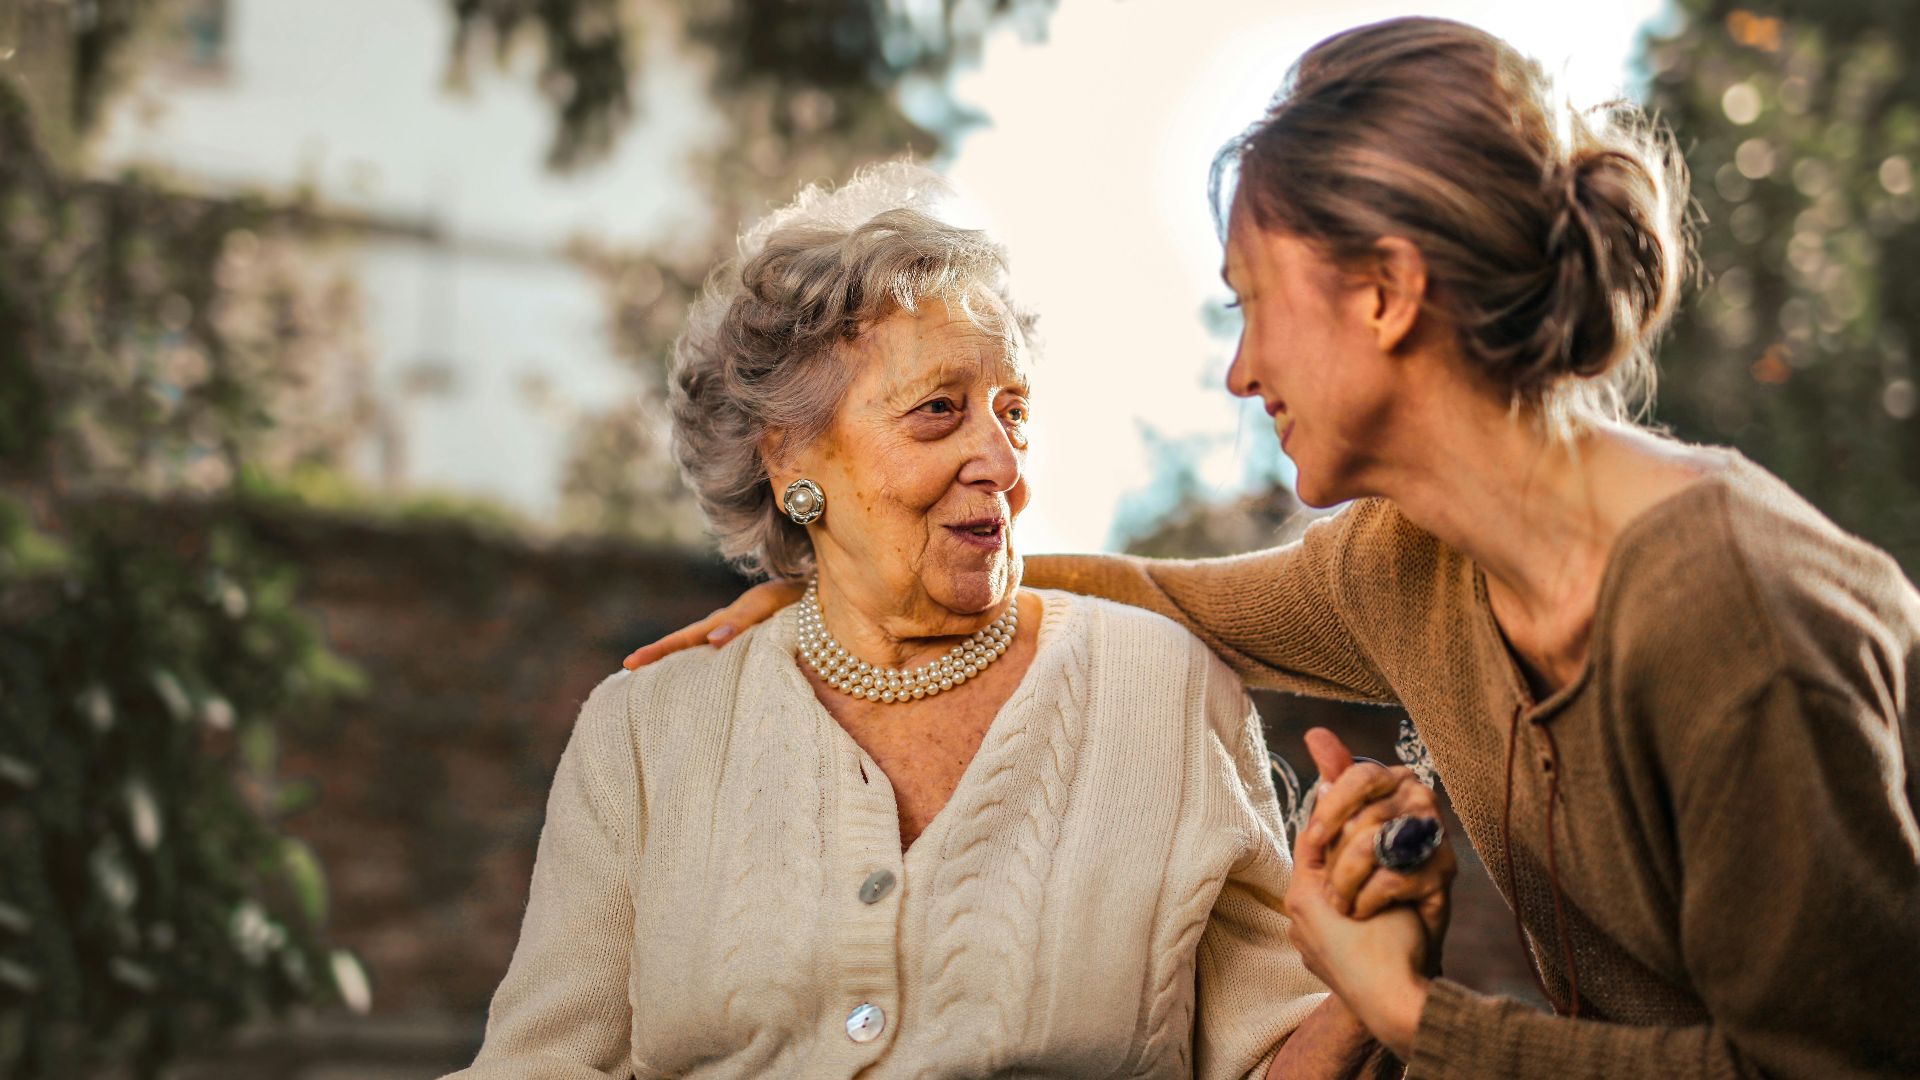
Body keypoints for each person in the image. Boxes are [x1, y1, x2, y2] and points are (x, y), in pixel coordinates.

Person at [624, 18, 1920, 1079]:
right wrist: (848, 589)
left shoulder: (1729, 613)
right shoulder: (1408, 564)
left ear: (1386, 292)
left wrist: (1414, 1017)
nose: (1240, 372)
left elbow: (1835, 1067)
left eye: (1251, 305)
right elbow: (1154, 595)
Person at [449, 163, 1408, 1079]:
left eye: (1014, 411)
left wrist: (1371, 991)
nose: (1002, 461)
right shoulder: (646, 730)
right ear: (791, 463)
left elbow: (1268, 1061)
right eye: (940, 411)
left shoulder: (1164, 688)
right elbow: (542, 1062)